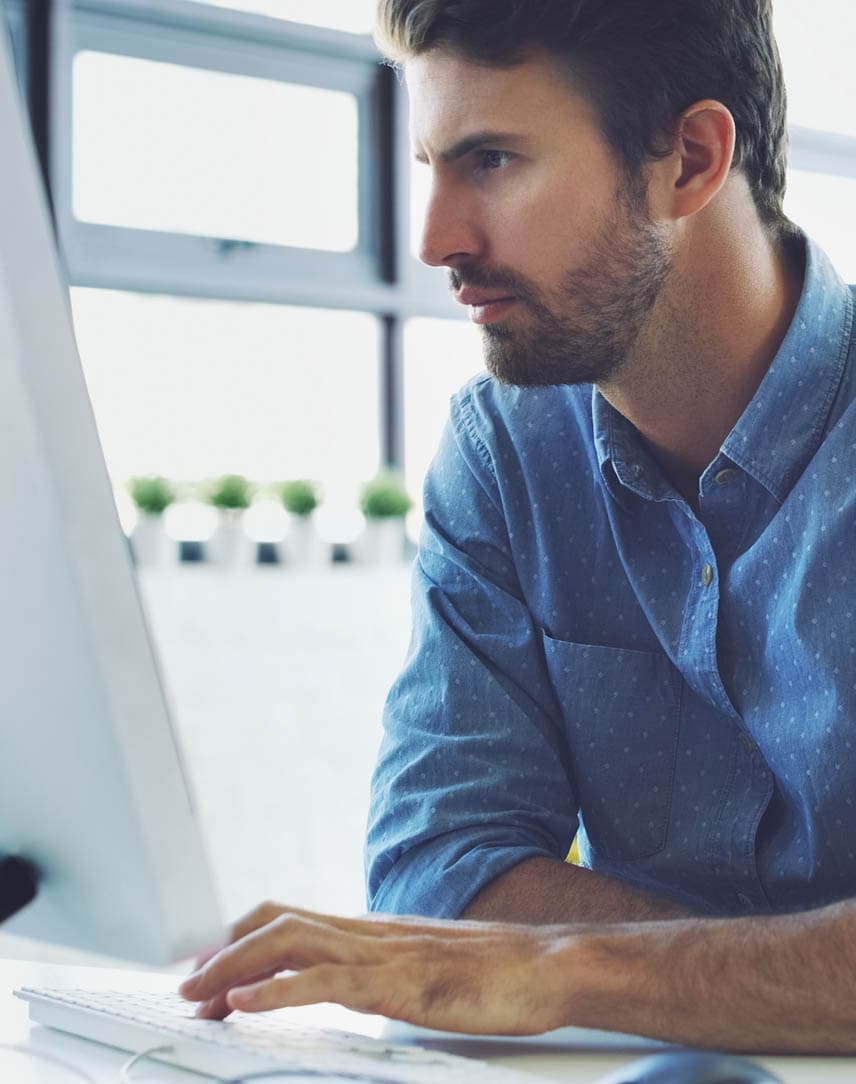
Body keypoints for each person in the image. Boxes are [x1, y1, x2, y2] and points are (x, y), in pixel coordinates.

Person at [180, 0, 856, 1052]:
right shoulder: (505, 454)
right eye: (433, 165)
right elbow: (440, 869)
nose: (435, 238)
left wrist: (566, 964)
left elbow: (490, 935)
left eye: (490, 160)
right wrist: (787, 973)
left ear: (688, 158)